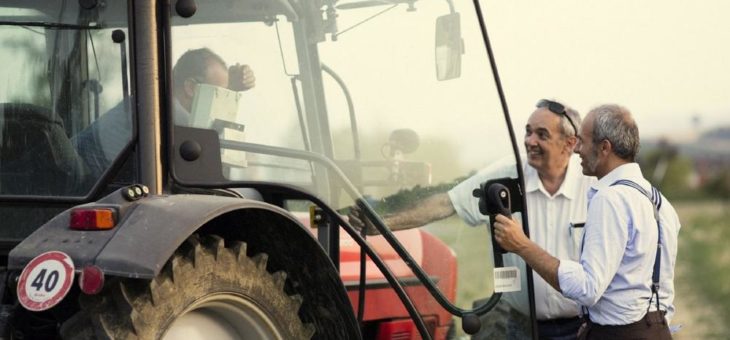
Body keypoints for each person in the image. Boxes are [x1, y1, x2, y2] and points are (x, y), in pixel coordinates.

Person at [349, 99, 596, 339]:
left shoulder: (594, 188)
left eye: (542, 135)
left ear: (569, 144)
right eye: (528, 132)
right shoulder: (505, 176)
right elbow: (447, 203)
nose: (530, 141)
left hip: (582, 326)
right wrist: (381, 223)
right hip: (521, 326)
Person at [493, 104, 680, 339]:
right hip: (657, 331)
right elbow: (664, 291)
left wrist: (521, 244)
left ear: (604, 148)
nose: (577, 149)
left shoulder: (609, 199)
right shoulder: (659, 201)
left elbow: (588, 288)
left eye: (582, 141)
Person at [73, 48, 255, 177]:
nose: (223, 100)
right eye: (219, 93)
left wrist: (232, 89)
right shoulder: (153, 117)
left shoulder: (155, 106)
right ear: (191, 88)